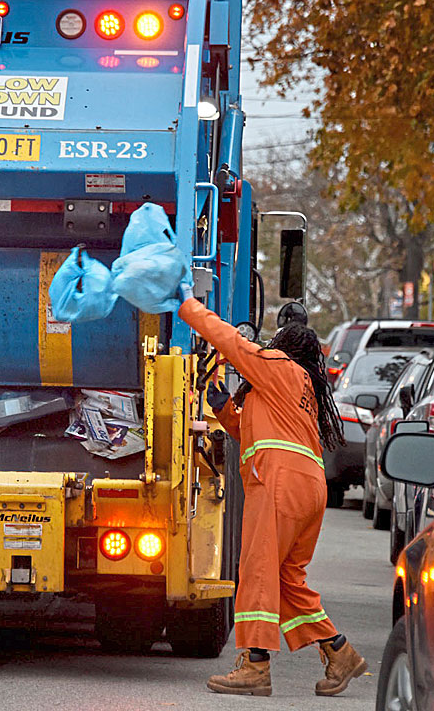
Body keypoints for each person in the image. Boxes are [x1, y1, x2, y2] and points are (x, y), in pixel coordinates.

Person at [180, 292, 366, 698]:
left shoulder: (277, 366)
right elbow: (257, 431)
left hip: (279, 484)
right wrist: (227, 411)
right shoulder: (304, 388)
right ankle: (340, 652)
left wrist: (186, 306)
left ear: (281, 346)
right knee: (286, 580)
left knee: (259, 570)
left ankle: (255, 665)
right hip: (309, 488)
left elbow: (230, 341)